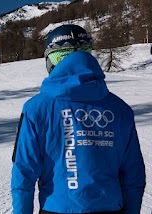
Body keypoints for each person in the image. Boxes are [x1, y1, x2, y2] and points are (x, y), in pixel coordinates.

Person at [11, 24, 146, 214]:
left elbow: (23, 173)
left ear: (51, 61)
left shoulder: (36, 109)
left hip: (57, 209)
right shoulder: (120, 109)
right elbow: (133, 175)